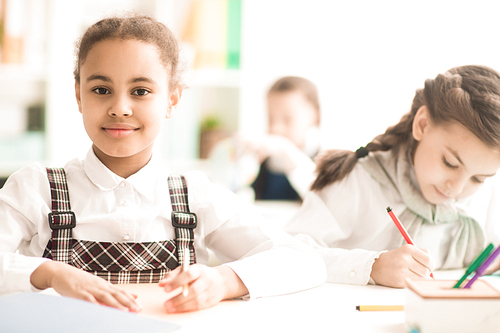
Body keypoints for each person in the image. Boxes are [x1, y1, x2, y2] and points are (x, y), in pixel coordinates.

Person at [0, 15, 326, 313]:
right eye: (101, 89)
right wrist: (51, 273)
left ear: (172, 100)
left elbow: (304, 261)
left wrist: (224, 281)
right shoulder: (36, 188)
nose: (120, 107)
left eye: (140, 91)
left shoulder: (195, 196)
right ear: (78, 96)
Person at [285, 65, 500, 288]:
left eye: (478, 178)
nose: (455, 189)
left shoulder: (487, 194)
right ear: (422, 125)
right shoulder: (357, 181)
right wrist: (371, 266)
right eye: (450, 163)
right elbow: (287, 251)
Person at [209, 76, 321, 201]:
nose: (276, 128)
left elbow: (322, 198)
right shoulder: (260, 163)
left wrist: (283, 149)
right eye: (270, 118)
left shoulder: (323, 163)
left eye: (287, 119)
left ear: (315, 116)